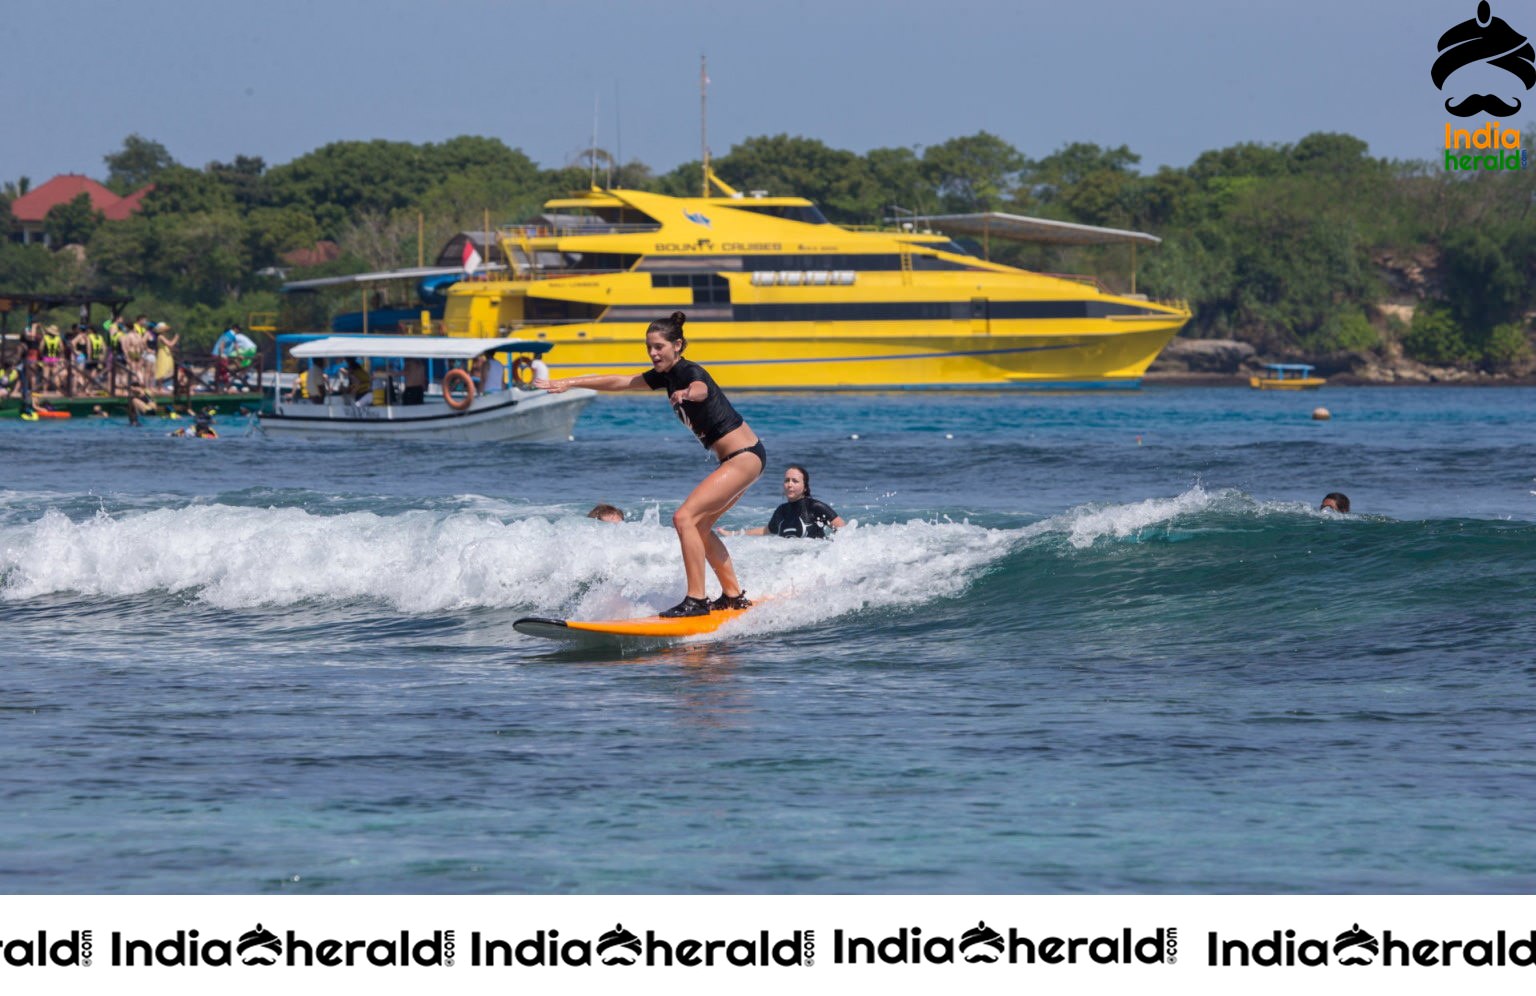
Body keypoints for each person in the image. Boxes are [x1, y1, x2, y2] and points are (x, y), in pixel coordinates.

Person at [539, 310, 764, 617]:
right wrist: (569, 382)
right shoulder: (665, 377)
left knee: (684, 518)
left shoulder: (688, 373)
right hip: (743, 457)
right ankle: (733, 595)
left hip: (743, 457)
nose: (653, 353)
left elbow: (702, 389)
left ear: (678, 345)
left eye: (659, 346)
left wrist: (687, 393)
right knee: (700, 526)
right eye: (649, 347)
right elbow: (620, 381)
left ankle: (696, 601)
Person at [722, 464, 845, 538]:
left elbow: (844, 531)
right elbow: (766, 531)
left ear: (805, 487)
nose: (789, 484)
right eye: (787, 480)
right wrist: (734, 534)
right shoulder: (781, 510)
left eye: (795, 481)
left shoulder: (815, 507)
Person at [152, 322, 179, 389]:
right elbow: (170, 344)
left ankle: (160, 387)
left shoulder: (162, 336)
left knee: (164, 371)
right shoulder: (160, 337)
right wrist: (176, 338)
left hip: (165, 353)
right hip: (163, 354)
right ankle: (160, 388)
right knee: (161, 370)